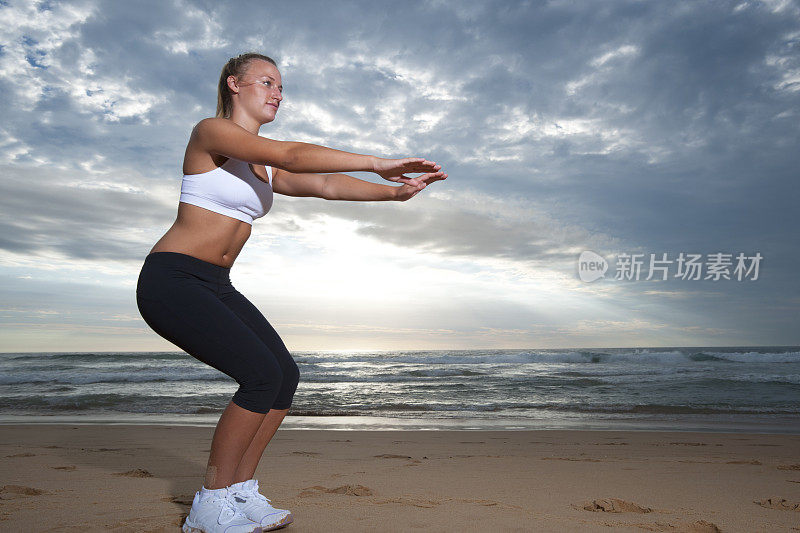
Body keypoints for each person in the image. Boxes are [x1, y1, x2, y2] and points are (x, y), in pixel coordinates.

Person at [135, 52, 447, 533]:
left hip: (215, 284)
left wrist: (394, 192)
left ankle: (240, 489)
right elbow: (291, 154)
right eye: (267, 82)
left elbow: (323, 182)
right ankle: (209, 504)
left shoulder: (263, 171)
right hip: (172, 279)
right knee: (259, 374)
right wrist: (379, 162)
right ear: (234, 85)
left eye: (281, 87)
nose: (277, 93)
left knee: (283, 376)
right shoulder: (211, 133)